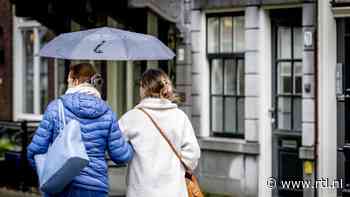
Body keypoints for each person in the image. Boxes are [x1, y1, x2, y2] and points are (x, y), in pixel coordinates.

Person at [27, 63, 134, 197]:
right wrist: (132, 145)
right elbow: (121, 156)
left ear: (75, 81)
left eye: (68, 80)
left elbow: (35, 151)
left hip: (61, 186)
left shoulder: (56, 107)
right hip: (95, 188)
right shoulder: (107, 113)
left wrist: (48, 172)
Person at [118, 68, 201, 197]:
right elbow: (193, 154)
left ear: (144, 88)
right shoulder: (180, 117)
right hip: (174, 190)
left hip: (141, 190)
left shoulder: (131, 118)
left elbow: (116, 147)